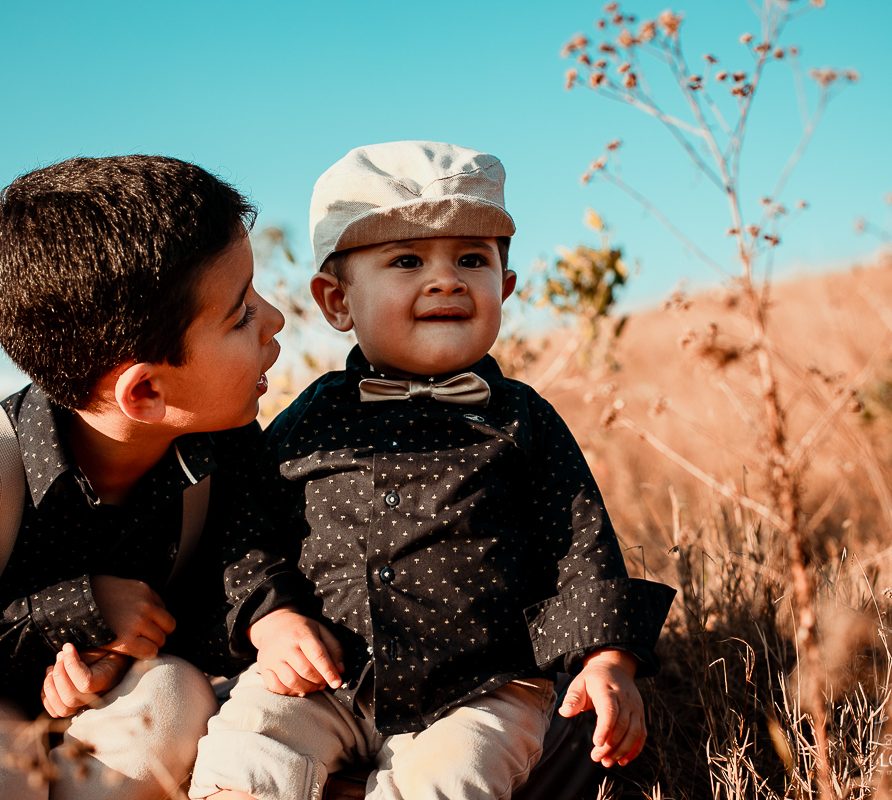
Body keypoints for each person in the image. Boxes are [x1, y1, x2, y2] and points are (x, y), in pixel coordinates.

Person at [190, 141, 675, 800]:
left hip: (479, 688)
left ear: (503, 288)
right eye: (407, 260)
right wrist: (271, 620)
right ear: (337, 301)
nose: (445, 280)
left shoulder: (523, 422)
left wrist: (606, 660)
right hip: (319, 678)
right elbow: (247, 533)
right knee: (250, 747)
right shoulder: (306, 420)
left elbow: (581, 548)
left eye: (471, 260)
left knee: (450, 779)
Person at [0, 155, 285, 800]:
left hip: (96, 705)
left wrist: (112, 652)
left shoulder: (225, 449)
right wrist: (70, 615)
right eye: (240, 314)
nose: (274, 318)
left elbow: (224, 597)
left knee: (174, 700)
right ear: (147, 391)